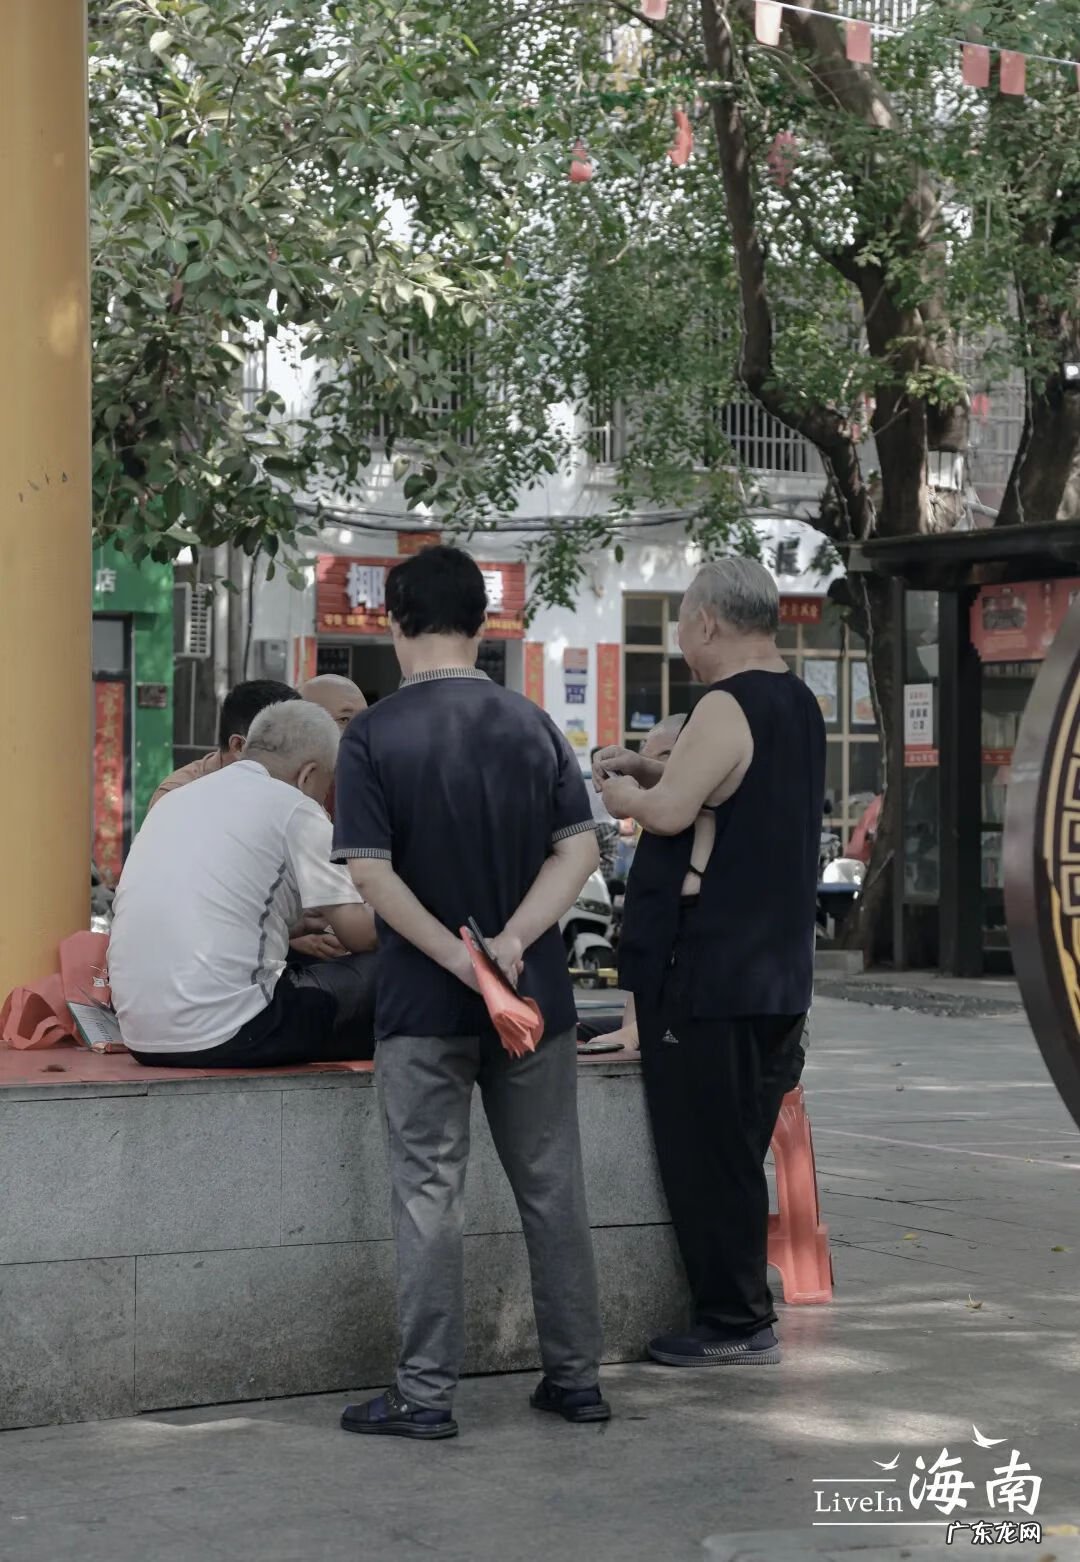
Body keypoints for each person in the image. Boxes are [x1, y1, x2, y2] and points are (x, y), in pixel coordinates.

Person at [332, 544, 609, 1441]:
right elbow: (579, 851)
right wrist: (515, 941)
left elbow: (370, 874)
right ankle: (575, 1381)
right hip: (535, 1005)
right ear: (485, 627)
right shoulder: (531, 726)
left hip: (422, 1006)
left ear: (395, 623)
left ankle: (425, 1396)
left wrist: (458, 962)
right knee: (552, 1186)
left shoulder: (372, 735)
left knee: (428, 1195)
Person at [594, 556, 824, 1369]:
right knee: (738, 1143)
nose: (684, 638)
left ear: (707, 623)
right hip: (775, 969)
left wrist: (623, 796)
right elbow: (722, 786)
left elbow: (666, 811)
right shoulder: (795, 701)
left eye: (685, 623)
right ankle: (741, 1310)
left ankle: (732, 1320)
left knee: (706, 1150)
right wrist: (653, 766)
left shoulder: (726, 702)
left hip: (711, 967)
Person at [110, 702, 379, 1067]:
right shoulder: (296, 807)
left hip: (142, 1037)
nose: (327, 798)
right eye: (328, 783)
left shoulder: (176, 801)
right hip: (235, 1031)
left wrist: (296, 924)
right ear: (308, 775)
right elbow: (360, 936)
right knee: (396, 970)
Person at [147, 679, 299, 810]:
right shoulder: (177, 795)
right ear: (239, 746)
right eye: (282, 747)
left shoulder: (296, 787)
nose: (295, 759)